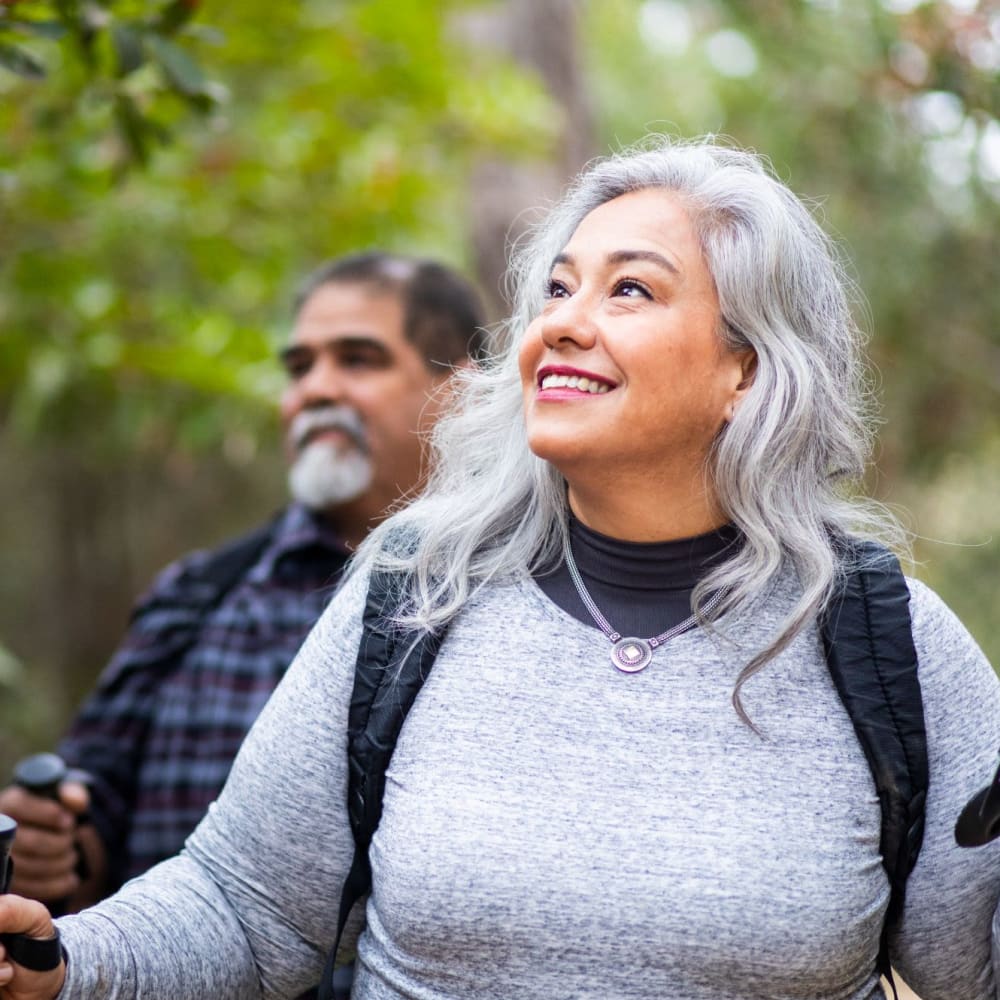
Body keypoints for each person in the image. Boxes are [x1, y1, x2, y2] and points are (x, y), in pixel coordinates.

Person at [1, 135, 999, 1000]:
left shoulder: (882, 636)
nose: (562, 321)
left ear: (744, 367)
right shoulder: (417, 590)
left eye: (630, 289)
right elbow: (248, 908)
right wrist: (61, 964)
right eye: (557, 287)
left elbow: (973, 965)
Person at [0, 250, 485, 910]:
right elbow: (93, 824)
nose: (315, 389)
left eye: (358, 359)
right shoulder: (199, 595)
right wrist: (49, 845)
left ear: (460, 388)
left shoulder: (521, 596)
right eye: (299, 367)